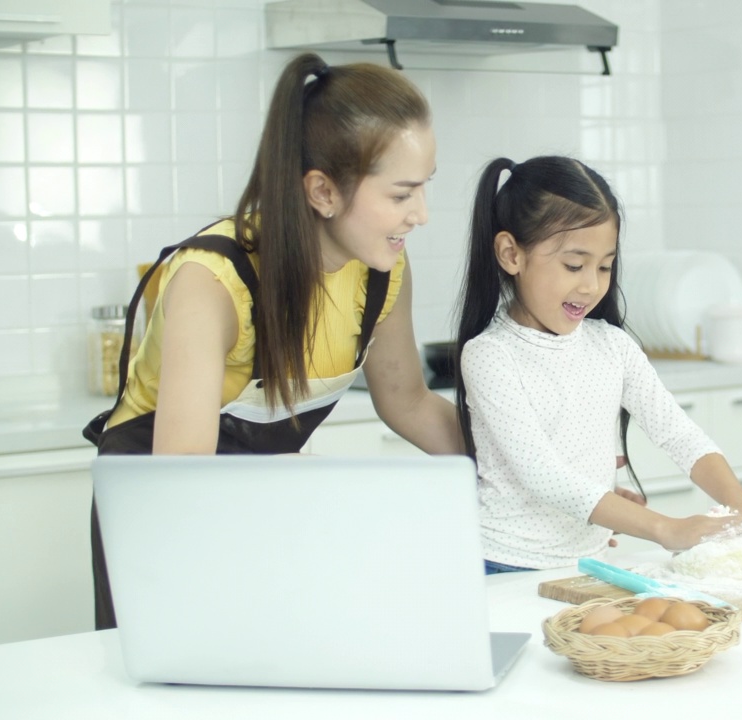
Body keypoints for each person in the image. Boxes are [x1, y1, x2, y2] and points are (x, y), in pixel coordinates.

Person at [82, 53, 460, 629]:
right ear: (323, 191)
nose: (422, 215)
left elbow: (409, 402)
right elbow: (180, 473)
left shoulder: (382, 272)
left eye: (424, 189)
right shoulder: (213, 282)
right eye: (401, 194)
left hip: (264, 509)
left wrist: (513, 473)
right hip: (160, 517)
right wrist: (312, 489)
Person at [453, 156, 742, 574]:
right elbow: (543, 475)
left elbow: (678, 433)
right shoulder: (491, 356)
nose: (591, 285)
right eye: (573, 265)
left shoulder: (612, 347)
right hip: (506, 565)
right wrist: (666, 529)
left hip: (589, 564)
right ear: (512, 254)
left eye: (604, 266)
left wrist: (740, 504)